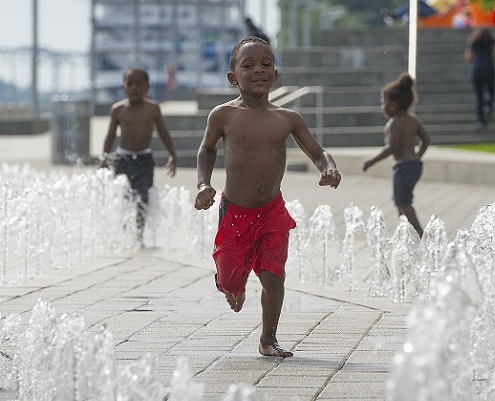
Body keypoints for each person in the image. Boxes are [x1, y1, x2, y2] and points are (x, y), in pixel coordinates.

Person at [194, 36, 341, 358]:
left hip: (272, 211)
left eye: (266, 64)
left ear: (276, 74)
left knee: (274, 275)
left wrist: (327, 167)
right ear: (233, 77)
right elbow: (206, 149)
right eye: (248, 65)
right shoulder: (223, 115)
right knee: (233, 278)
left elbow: (318, 151)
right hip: (235, 212)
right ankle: (230, 283)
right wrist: (203, 184)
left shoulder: (287, 119)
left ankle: (268, 338)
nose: (258, 70)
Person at [99, 68, 177, 244]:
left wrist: (172, 155)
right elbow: (110, 135)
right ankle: (123, 233)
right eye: (130, 84)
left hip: (144, 160)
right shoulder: (118, 110)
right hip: (123, 159)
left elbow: (163, 132)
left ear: (147, 88)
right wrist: (104, 158)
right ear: (123, 87)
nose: (134, 88)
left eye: (139, 84)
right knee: (123, 196)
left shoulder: (153, 109)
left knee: (143, 198)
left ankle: (139, 235)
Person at [363, 72, 430, 237]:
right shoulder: (413, 120)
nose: (382, 106)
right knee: (401, 201)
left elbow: (392, 148)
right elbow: (426, 140)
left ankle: (421, 235)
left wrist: (371, 161)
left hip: (402, 166)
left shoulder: (394, 123)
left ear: (394, 105)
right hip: (415, 165)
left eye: (383, 102)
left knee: (404, 203)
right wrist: (417, 157)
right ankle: (404, 235)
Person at [464, 28, 495, 127]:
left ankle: (480, 119)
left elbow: (468, 57)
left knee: (479, 95)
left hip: (476, 69)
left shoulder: (473, 42)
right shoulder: (492, 41)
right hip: (489, 68)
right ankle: (488, 106)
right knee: (491, 91)